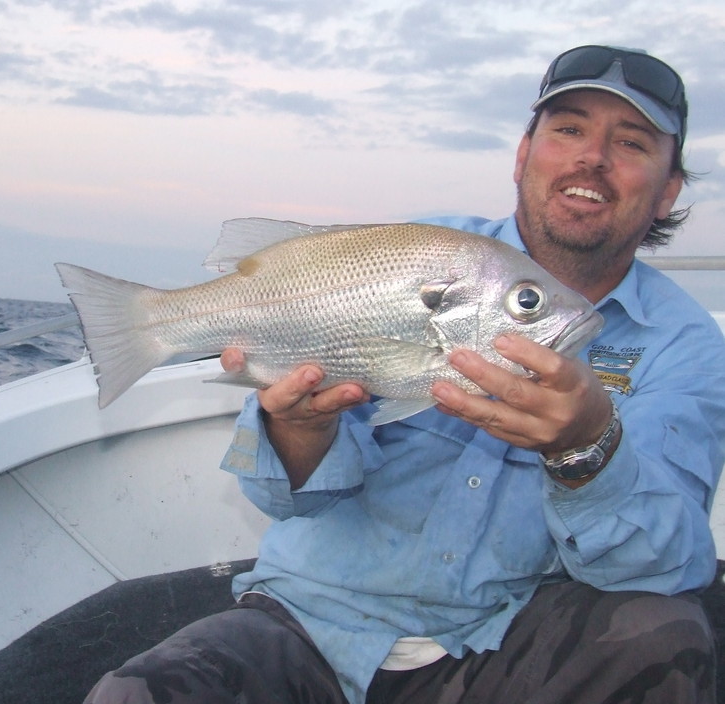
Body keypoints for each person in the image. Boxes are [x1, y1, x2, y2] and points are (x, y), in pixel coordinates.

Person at [85, 45, 725, 704]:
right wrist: (298, 422)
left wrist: (586, 450)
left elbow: (670, 565)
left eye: (631, 143)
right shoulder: (425, 250)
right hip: (310, 625)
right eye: (568, 129)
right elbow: (282, 497)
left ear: (668, 190)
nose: (592, 156)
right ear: (523, 153)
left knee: (663, 636)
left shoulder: (684, 344)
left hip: (501, 648)